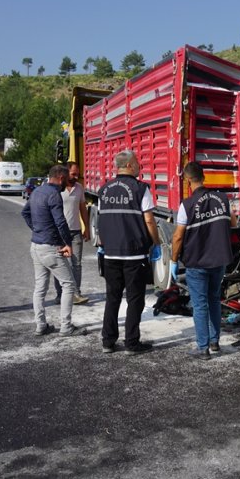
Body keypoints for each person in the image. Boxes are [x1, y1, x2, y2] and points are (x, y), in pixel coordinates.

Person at [170, 161, 237, 358]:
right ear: (204, 176)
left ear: (188, 181)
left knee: (200, 305)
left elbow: (178, 236)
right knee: (214, 300)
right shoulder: (222, 199)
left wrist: (174, 260)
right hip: (219, 260)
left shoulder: (187, 205)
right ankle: (215, 342)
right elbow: (233, 222)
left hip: (197, 262)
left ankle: (203, 348)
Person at [97, 150, 161, 354]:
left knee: (112, 298)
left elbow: (102, 219)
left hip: (110, 254)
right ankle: (131, 343)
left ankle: (108, 341)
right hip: (134, 254)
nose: (140, 166)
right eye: (138, 163)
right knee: (135, 299)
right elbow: (149, 220)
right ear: (131, 165)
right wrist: (156, 243)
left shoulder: (104, 190)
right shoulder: (140, 188)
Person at [22, 164, 85, 337]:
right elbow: (61, 222)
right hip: (50, 248)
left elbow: (25, 212)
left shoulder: (37, 192)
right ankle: (66, 327)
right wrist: (67, 244)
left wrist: (36, 229)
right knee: (69, 285)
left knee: (40, 288)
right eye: (66, 178)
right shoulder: (54, 194)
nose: (68, 182)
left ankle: (40, 325)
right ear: (61, 178)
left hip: (35, 246)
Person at [53, 161, 91, 305]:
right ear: (65, 173)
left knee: (77, 264)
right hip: (59, 232)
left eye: (77, 174)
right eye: (73, 174)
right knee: (60, 263)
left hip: (75, 232)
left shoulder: (79, 188)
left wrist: (86, 227)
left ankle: (76, 293)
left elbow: (82, 209)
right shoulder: (57, 189)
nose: (76, 176)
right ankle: (60, 294)